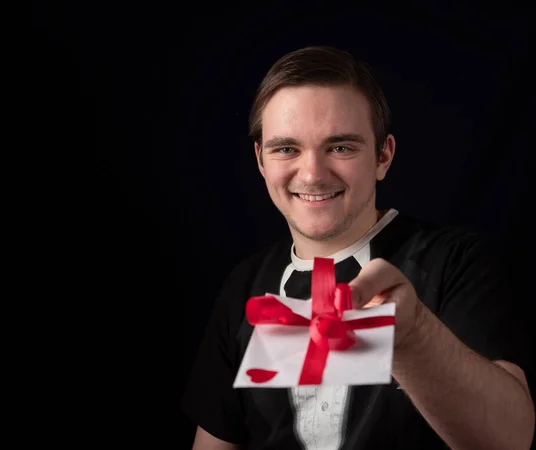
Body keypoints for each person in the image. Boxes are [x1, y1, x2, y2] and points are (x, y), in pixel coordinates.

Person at [181, 46, 535, 450]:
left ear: (383, 156)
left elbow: (510, 441)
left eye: (341, 147)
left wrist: (414, 335)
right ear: (261, 161)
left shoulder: (454, 262)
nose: (312, 173)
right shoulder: (244, 285)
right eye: (286, 148)